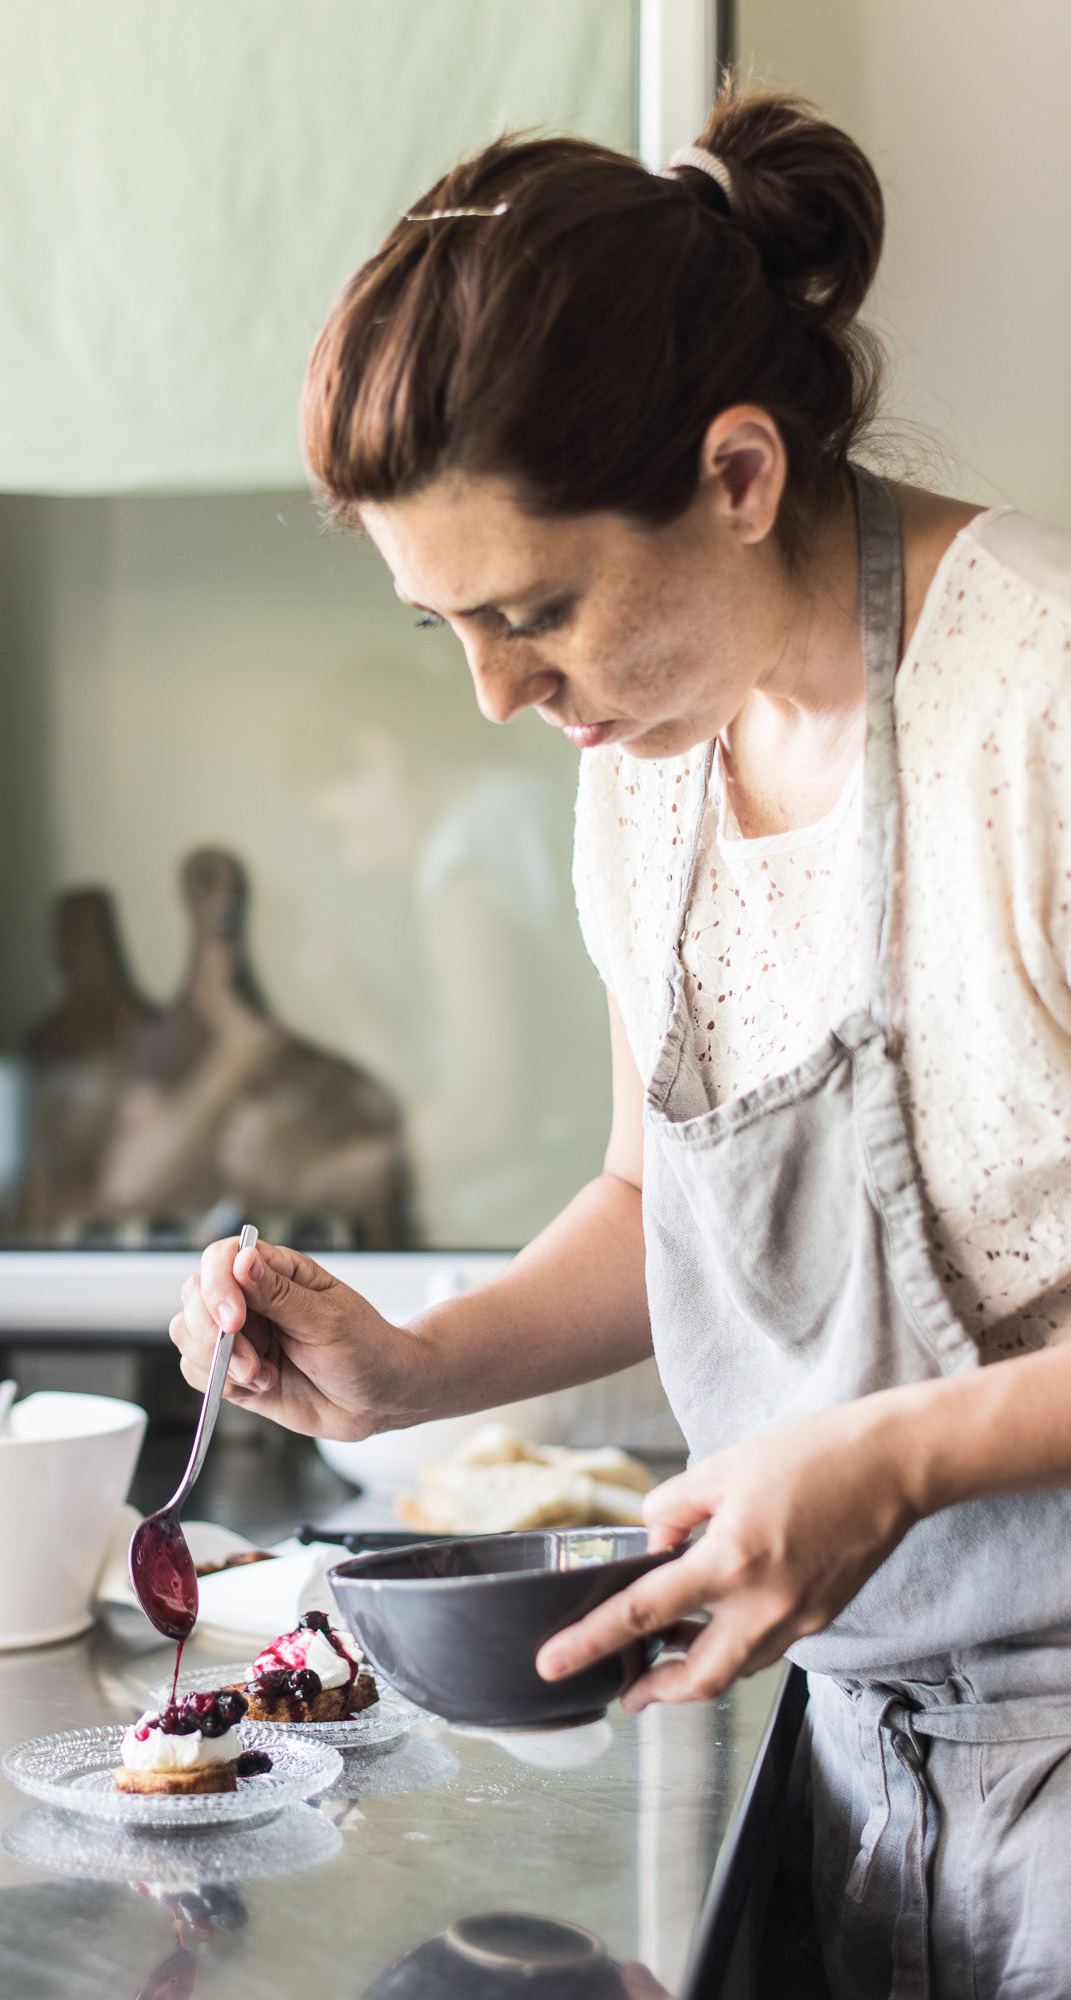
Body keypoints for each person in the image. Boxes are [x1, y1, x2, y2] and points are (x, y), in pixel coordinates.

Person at [169, 90, 1071, 2000]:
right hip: (860, 1748)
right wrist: (415, 1368)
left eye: (536, 610)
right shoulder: (650, 772)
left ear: (740, 473)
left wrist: (896, 1457)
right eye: (449, 632)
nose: (501, 694)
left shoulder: (1041, 709)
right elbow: (654, 1202)